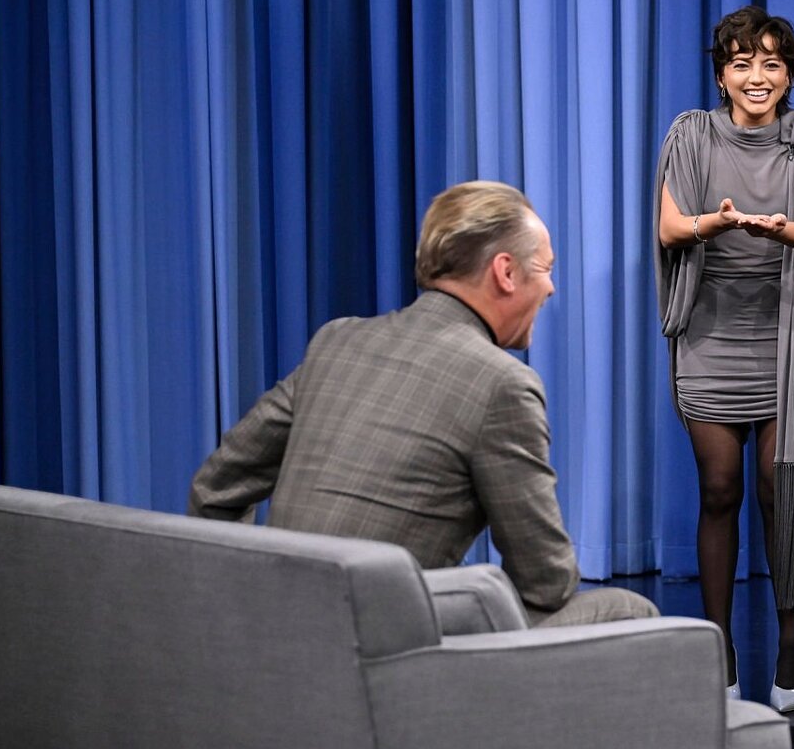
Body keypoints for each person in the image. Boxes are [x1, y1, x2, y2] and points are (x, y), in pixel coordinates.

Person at [190, 181, 658, 629]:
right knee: (629, 612)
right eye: (545, 268)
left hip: (274, 630)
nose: (551, 288)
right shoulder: (502, 384)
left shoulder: (337, 342)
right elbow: (547, 582)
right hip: (383, 649)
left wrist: (247, 602)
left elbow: (215, 490)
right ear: (506, 272)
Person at [655, 6, 794, 712]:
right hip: (710, 337)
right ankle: (721, 650)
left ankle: (791, 643)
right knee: (719, 489)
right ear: (721, 75)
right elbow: (671, 227)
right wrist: (717, 222)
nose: (757, 76)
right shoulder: (690, 134)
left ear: (789, 75)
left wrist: (779, 230)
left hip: (786, 336)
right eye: (742, 64)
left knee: (777, 488)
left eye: (771, 63)